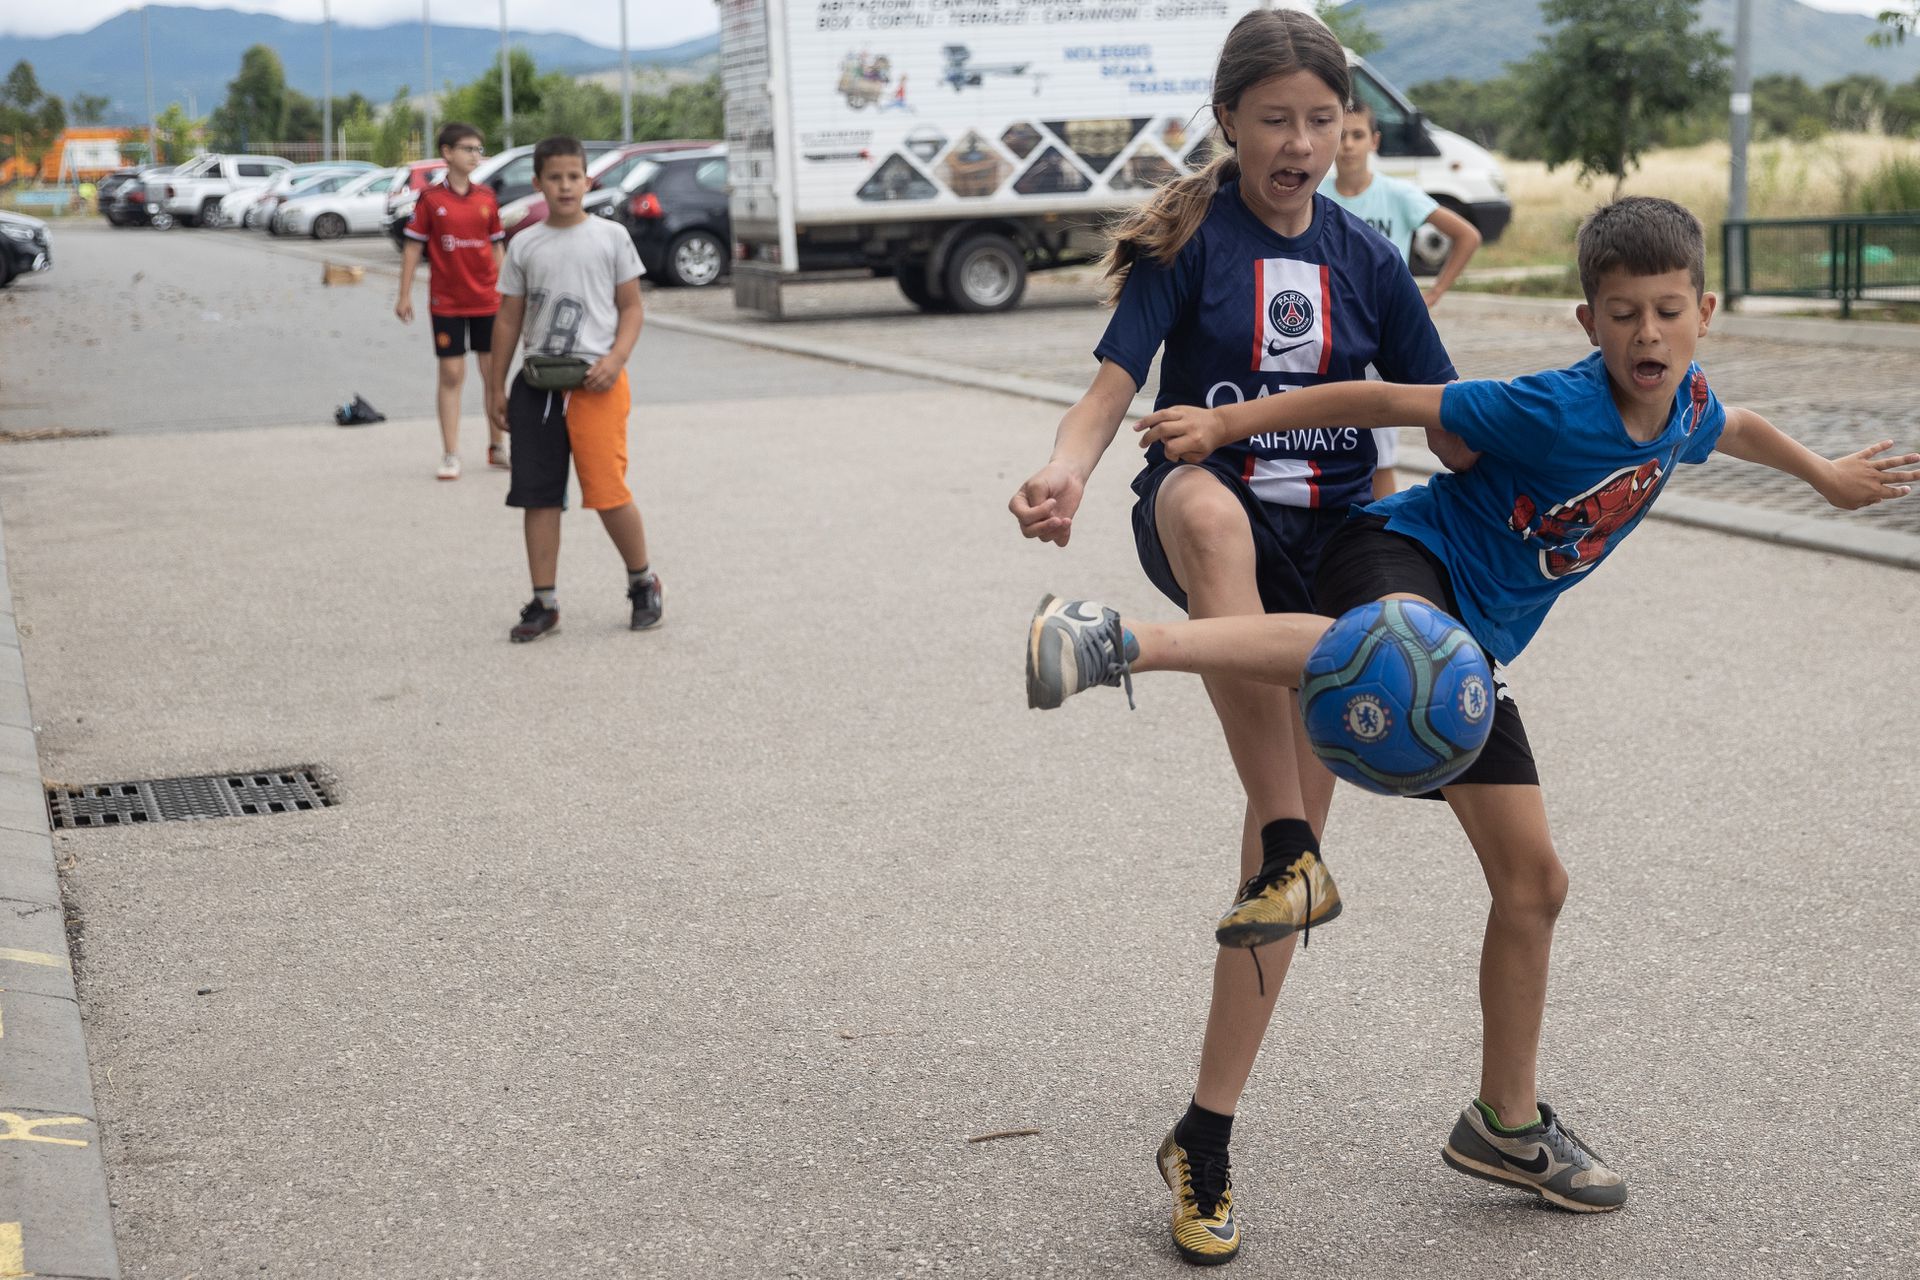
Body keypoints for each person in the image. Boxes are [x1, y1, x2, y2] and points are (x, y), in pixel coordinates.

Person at [1025, 196, 1917, 1241]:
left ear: (1704, 312)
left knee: (1535, 880)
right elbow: (1386, 397)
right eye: (1624, 314)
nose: (1648, 335)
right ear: (1588, 324)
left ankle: (1505, 1119)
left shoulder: (1686, 404)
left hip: (1474, 645)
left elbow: (1733, 424)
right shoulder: (1549, 406)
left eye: (1668, 312)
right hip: (1400, 555)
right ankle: (1117, 640)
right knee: (1377, 662)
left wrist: (1823, 475)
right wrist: (1224, 423)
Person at [1007, 9, 1456, 1266]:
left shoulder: (1369, 258)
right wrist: (1063, 470)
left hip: (1336, 563)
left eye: (1322, 120)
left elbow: (1440, 407)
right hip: (1216, 537)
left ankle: (1203, 1131)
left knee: (1271, 906)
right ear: (1231, 126)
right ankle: (1293, 834)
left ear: (1345, 128)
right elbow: (1111, 387)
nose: (1300, 140)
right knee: (1206, 501)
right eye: (1276, 119)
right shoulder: (1192, 241)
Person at [484, 136, 660, 643]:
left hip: (596, 382)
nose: (565, 186)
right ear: (538, 183)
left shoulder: (610, 238)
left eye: (573, 176)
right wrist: (495, 387)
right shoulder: (524, 244)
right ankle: (544, 602)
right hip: (537, 384)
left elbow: (631, 308)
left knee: (607, 492)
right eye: (554, 177)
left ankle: (642, 582)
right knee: (538, 498)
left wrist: (616, 359)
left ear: (588, 180)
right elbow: (509, 318)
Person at [1320, 100, 1483, 500]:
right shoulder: (1314, 195)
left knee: (1380, 455)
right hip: (1327, 336)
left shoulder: (1397, 194)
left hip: (1379, 338)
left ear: (1374, 141)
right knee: (1325, 441)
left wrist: (1435, 291)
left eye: (1357, 135)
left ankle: (1379, 537)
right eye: (1340, 135)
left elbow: (1467, 235)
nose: (1348, 145)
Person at [397, 121, 508, 481]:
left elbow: (497, 248)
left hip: (488, 301)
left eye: (479, 149)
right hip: (447, 302)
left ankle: (497, 446)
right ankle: (450, 453)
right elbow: (413, 247)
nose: (476, 155)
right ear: (448, 153)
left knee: (493, 375)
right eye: (468, 148)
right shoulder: (430, 200)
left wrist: (510, 293)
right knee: (451, 373)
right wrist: (404, 294)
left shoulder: (487, 198)